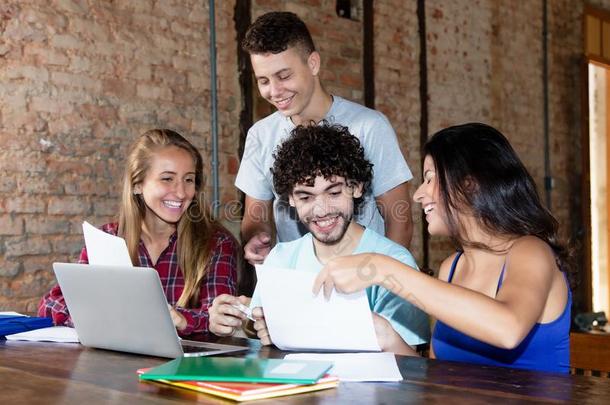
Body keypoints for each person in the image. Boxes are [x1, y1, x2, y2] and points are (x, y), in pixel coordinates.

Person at [313, 123, 572, 373]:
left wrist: (381, 267)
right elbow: (439, 375)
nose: (418, 195)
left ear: (469, 185)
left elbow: (509, 328)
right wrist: (387, 338)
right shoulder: (451, 268)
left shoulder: (531, 251)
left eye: (429, 179)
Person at [210, 124, 429, 354]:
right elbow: (257, 333)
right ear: (291, 200)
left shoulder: (394, 260)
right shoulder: (281, 258)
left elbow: (411, 366)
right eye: (306, 197)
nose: (321, 210)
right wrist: (233, 323)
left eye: (334, 193)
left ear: (356, 188)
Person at [236, 11, 414, 267]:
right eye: (263, 80)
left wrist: (382, 285)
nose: (274, 91)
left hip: (364, 281)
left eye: (284, 76)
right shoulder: (260, 135)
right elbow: (256, 214)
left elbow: (400, 221)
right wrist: (257, 237)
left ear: (313, 64)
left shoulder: (370, 127)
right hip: (298, 285)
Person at [38, 129, 239, 336]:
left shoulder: (216, 243)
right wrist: (103, 318)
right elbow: (51, 304)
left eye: (189, 180)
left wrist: (182, 320)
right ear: (137, 185)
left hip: (188, 366)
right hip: (117, 363)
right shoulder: (107, 238)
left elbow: (219, 320)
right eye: (167, 179)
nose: (181, 192)